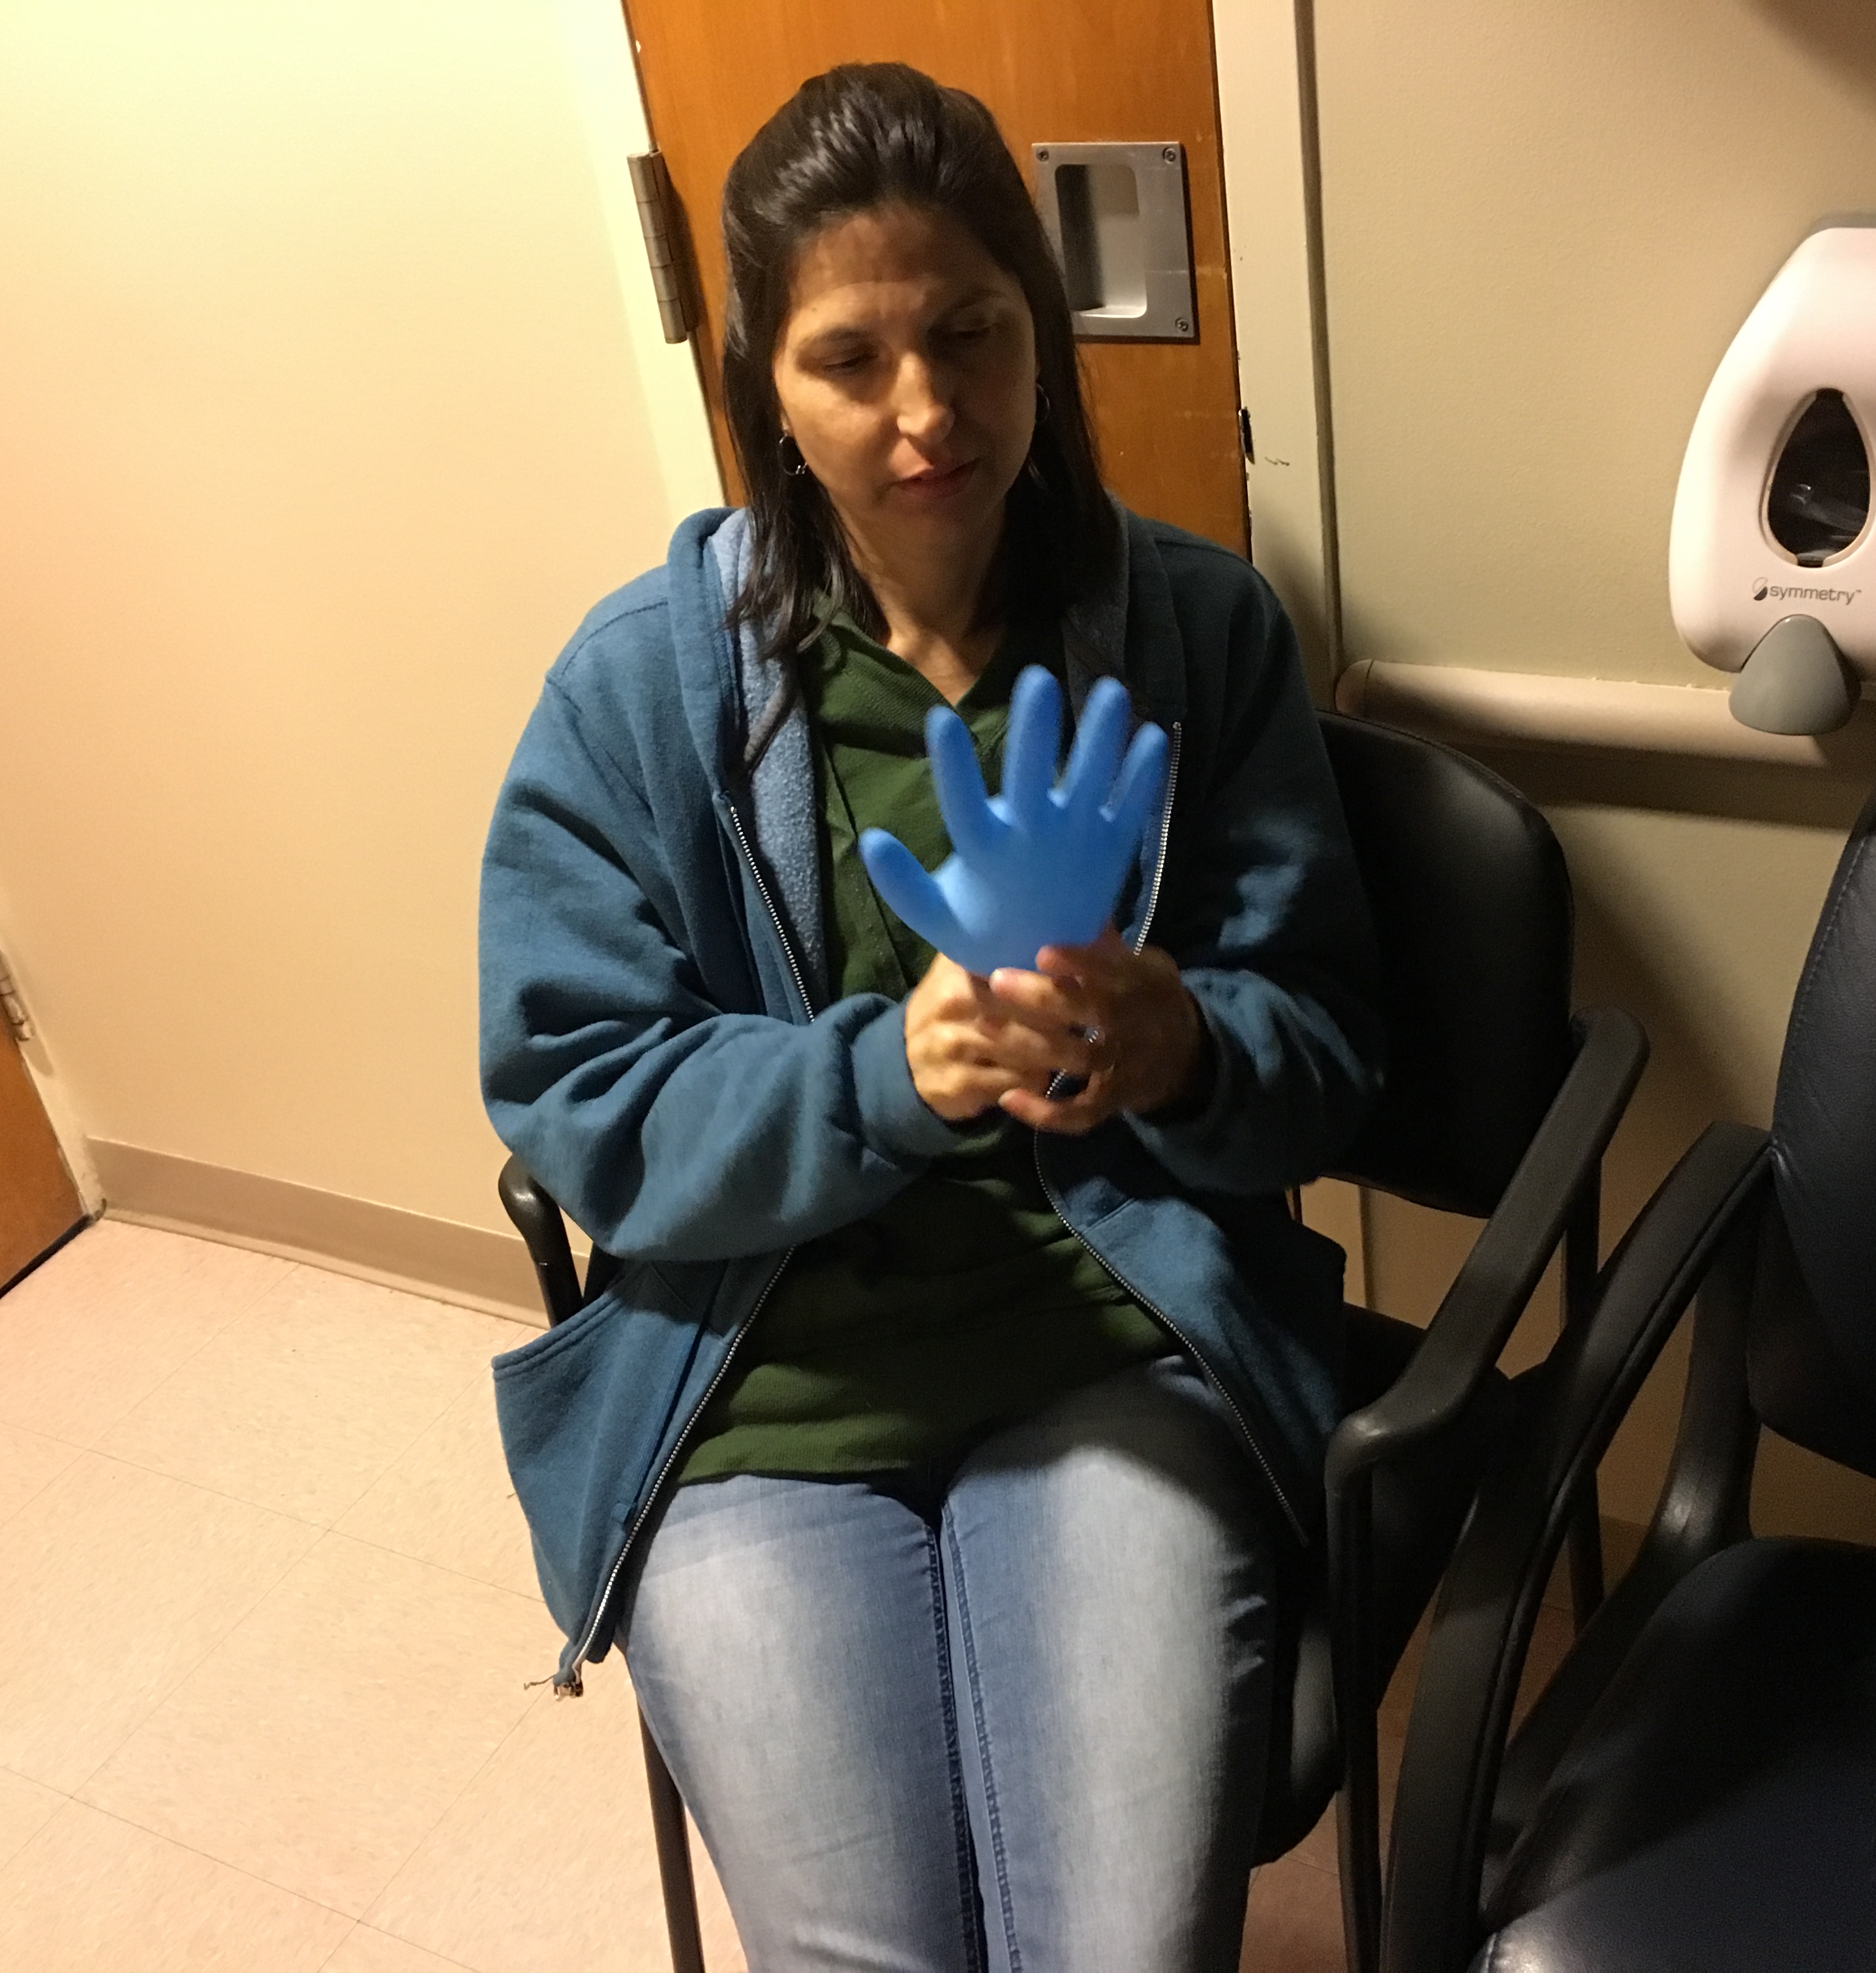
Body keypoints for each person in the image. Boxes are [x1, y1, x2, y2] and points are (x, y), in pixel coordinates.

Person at [479, 62, 1380, 1973]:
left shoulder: (1197, 637)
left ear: (1040, 333)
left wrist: (1186, 1046)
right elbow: (574, 1083)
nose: (926, 411)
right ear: (765, 386)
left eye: (970, 334)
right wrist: (879, 1076)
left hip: (1113, 1349)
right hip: (762, 1383)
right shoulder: (642, 690)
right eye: (849, 359)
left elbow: (1324, 1043)